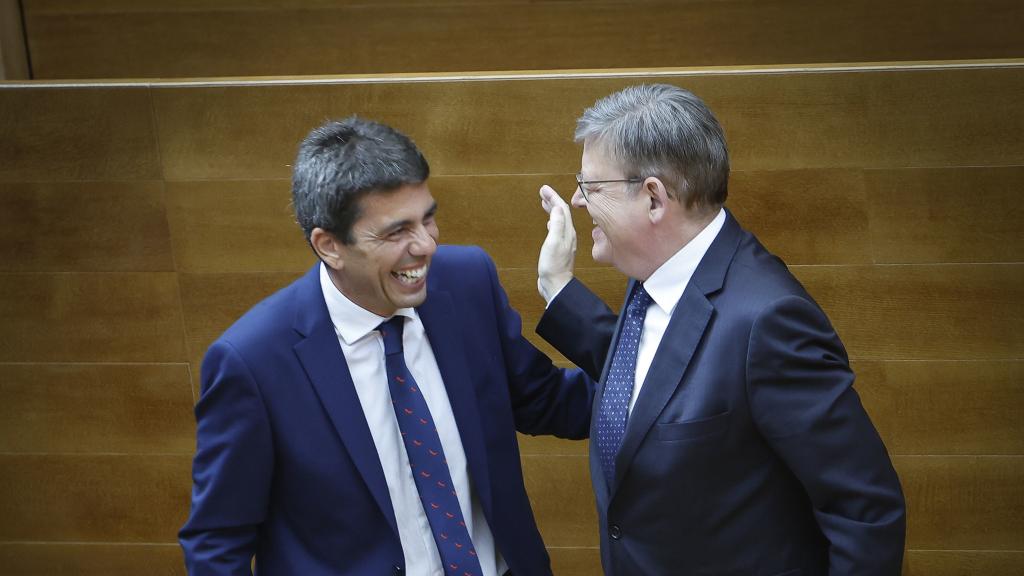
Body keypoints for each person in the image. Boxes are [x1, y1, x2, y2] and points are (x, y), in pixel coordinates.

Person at [179, 117, 594, 576]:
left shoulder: (466, 282)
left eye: (428, 218)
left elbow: (545, 401)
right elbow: (218, 541)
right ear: (329, 245)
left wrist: (666, 378)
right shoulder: (252, 363)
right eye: (396, 232)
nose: (426, 245)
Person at [535, 84, 906, 575]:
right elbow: (666, 379)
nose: (578, 202)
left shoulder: (770, 323)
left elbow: (867, 512)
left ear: (653, 199)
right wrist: (558, 289)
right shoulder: (657, 271)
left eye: (591, 186)